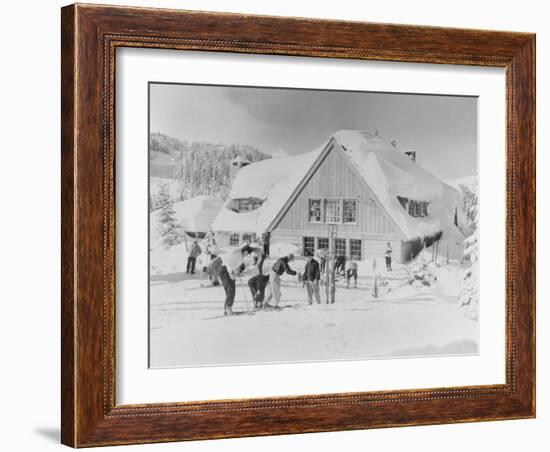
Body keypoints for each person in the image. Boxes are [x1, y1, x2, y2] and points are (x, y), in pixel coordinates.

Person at [209, 243, 259, 315]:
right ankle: (228, 308)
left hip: (227, 271)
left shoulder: (239, 254)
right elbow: (228, 262)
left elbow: (235, 266)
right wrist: (231, 273)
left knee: (230, 291)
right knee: (230, 290)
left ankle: (227, 309)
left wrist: (237, 272)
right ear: (245, 251)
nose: (247, 255)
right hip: (225, 270)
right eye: (248, 253)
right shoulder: (237, 253)